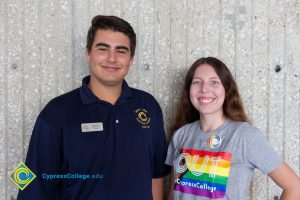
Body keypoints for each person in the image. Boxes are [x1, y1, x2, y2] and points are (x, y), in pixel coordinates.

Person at [18, 15, 169, 200]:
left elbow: (156, 175)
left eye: (121, 51)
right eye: (103, 48)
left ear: (131, 59)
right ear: (88, 53)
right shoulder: (56, 112)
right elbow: (31, 182)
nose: (112, 58)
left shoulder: (149, 106)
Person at [165, 57, 300, 200]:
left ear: (226, 89)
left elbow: (294, 187)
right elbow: (173, 194)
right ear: (189, 90)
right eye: (197, 82)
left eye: (214, 82)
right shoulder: (181, 135)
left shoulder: (245, 136)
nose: (204, 89)